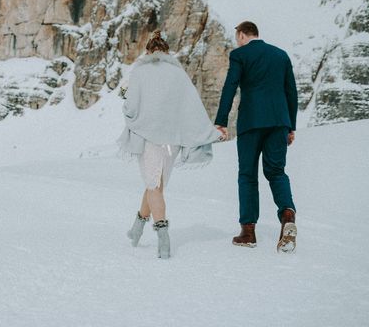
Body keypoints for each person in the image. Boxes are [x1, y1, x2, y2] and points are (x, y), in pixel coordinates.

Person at [118, 30, 221, 259]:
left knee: (153, 186)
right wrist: (207, 131)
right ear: (166, 52)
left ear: (148, 51)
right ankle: (136, 229)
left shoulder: (141, 72)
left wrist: (128, 108)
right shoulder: (178, 74)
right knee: (155, 184)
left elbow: (131, 108)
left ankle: (163, 237)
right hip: (171, 141)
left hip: (149, 139)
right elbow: (192, 105)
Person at [214, 21, 298, 253]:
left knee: (248, 175)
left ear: (241, 35)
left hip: (251, 122)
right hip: (279, 122)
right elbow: (291, 91)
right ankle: (288, 214)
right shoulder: (280, 55)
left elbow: (230, 87)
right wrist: (290, 126)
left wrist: (221, 121)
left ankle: (248, 232)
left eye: (237, 37)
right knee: (276, 172)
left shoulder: (240, 54)